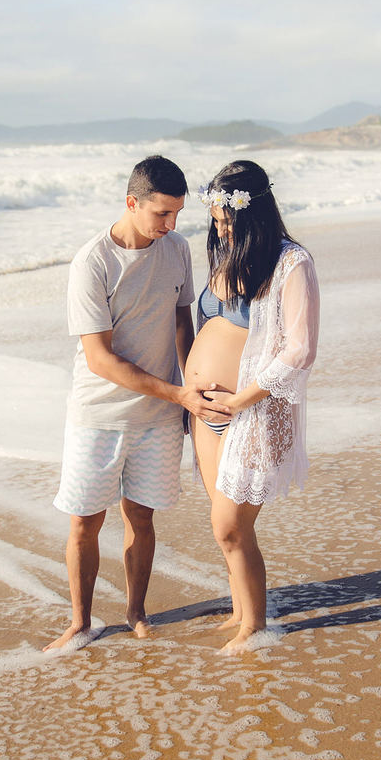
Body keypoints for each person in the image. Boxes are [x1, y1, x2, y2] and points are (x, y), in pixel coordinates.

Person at [44, 155, 232, 652]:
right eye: (161, 215)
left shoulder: (176, 249)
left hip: (159, 416)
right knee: (85, 520)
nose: (170, 226)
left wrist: (190, 386)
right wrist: (179, 393)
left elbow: (180, 323)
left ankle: (136, 612)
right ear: (132, 203)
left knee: (142, 517)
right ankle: (80, 623)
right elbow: (100, 360)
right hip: (99, 415)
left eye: (177, 215)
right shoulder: (93, 262)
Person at [185, 160, 320, 654]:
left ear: (253, 212)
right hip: (206, 415)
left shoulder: (290, 262)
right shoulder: (226, 255)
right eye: (216, 219)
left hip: (253, 413)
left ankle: (255, 627)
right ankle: (242, 611)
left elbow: (299, 349)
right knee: (224, 525)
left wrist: (241, 399)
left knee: (230, 526)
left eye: (227, 218)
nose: (219, 227)